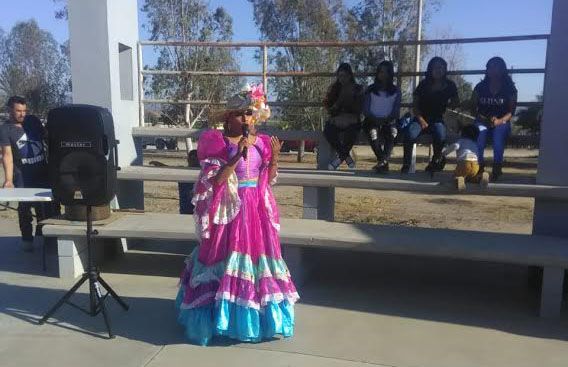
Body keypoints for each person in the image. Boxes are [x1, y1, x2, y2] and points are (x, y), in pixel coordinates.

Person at [176, 84, 299, 346]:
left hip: (255, 210)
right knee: (221, 256)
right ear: (227, 117)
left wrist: (274, 158)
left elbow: (266, 177)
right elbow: (216, 182)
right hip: (230, 208)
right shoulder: (216, 143)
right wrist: (234, 157)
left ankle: (256, 317)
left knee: (258, 260)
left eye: (249, 113)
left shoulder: (262, 143)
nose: (245, 119)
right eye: (239, 114)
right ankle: (217, 317)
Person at [0, 96, 58, 252]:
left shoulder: (33, 121)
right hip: (23, 176)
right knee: (24, 208)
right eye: (18, 111)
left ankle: (44, 236)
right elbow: (7, 155)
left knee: (45, 208)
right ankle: (27, 238)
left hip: (42, 173)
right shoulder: (5, 129)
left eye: (24, 110)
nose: (22, 114)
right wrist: (9, 180)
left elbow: (47, 138)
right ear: (9, 110)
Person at [402, 57, 460, 174]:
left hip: (438, 119)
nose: (438, 70)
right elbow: (415, 105)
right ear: (430, 69)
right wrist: (421, 120)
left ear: (445, 69)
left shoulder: (450, 85)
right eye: (435, 67)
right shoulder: (423, 85)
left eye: (441, 67)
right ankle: (406, 164)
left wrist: (453, 104)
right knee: (409, 134)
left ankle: (436, 161)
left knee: (440, 135)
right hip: (420, 118)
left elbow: (455, 101)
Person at [472, 57, 518, 181]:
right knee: (479, 134)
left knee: (498, 136)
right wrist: (482, 118)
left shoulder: (510, 89)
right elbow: (473, 108)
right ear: (486, 70)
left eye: (497, 67)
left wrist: (499, 121)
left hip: (502, 122)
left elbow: (511, 112)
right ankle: (479, 167)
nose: (494, 70)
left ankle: (497, 167)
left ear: (503, 69)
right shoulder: (479, 87)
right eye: (490, 67)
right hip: (482, 121)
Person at [362, 61, 402, 173]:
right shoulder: (370, 89)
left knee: (393, 132)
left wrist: (386, 120)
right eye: (380, 72)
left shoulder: (396, 91)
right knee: (373, 133)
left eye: (385, 72)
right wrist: (375, 119)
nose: (382, 74)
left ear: (390, 74)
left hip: (389, 120)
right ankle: (383, 160)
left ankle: (382, 162)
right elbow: (366, 109)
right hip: (371, 120)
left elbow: (395, 110)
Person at [323, 62, 364, 170]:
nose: (342, 79)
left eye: (344, 76)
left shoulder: (358, 89)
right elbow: (329, 108)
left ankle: (339, 159)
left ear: (350, 76)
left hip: (352, 120)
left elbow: (359, 109)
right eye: (340, 76)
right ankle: (346, 157)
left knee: (353, 131)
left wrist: (349, 116)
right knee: (328, 130)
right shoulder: (334, 89)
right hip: (337, 119)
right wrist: (337, 106)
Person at [442, 124, 490, 190]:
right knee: (471, 177)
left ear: (462, 133)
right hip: (475, 165)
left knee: (456, 176)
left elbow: (455, 146)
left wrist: (444, 153)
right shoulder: (474, 144)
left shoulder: (461, 141)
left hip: (464, 164)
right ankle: (480, 178)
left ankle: (459, 179)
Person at [178, 149, 198, 215]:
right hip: (186, 208)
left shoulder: (203, 172)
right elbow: (168, 169)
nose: (194, 161)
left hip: (192, 207)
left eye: (195, 159)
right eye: (192, 158)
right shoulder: (182, 171)